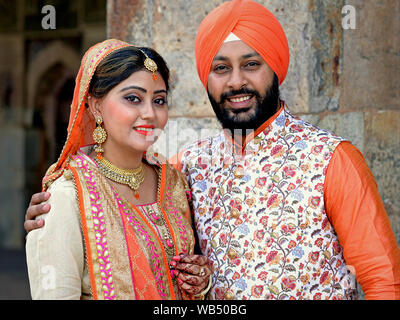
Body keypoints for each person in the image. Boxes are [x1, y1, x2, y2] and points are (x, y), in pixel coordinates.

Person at [25, 1, 400, 300]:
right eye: (221, 68)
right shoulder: (186, 168)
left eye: (251, 64)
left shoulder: (332, 159)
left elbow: (384, 282)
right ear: (207, 78)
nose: (236, 81)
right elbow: (118, 196)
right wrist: (57, 214)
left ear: (275, 68)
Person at [25, 39, 212, 300]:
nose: (149, 113)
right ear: (95, 105)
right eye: (133, 98)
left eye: (159, 100)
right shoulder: (69, 195)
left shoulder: (174, 183)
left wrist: (199, 281)